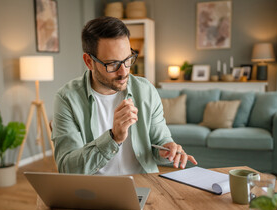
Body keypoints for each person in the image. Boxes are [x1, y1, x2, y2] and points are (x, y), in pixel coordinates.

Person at [52, 16, 197, 175]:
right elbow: (67, 168)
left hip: (145, 184)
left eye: (128, 59)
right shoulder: (67, 99)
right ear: (88, 61)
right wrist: (113, 138)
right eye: (112, 64)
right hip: (95, 192)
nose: (124, 72)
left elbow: (160, 141)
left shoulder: (146, 90)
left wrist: (167, 149)